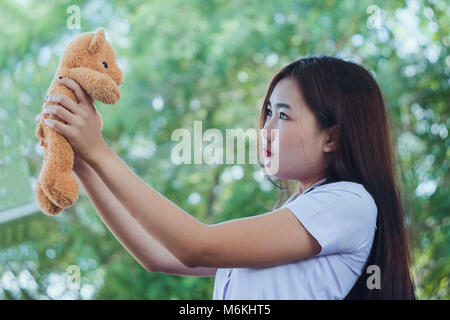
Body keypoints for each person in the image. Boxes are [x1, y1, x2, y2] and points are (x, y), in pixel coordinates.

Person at [36, 54, 416, 299]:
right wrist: (83, 160)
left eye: (282, 116)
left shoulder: (348, 203)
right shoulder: (298, 215)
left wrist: (99, 150)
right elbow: (161, 256)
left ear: (332, 135)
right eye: (267, 113)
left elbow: (196, 245)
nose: (265, 129)